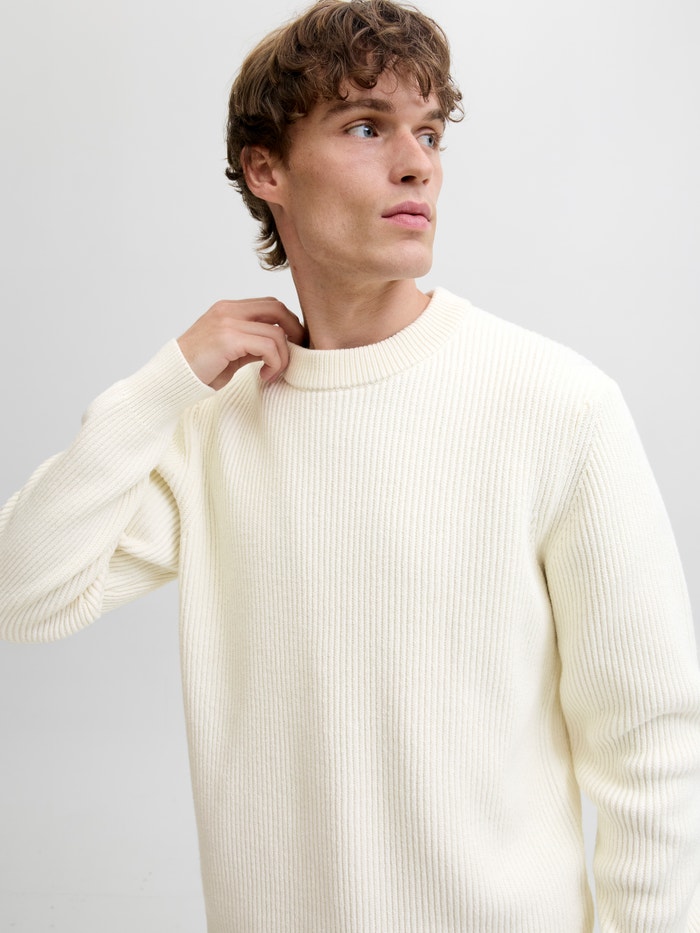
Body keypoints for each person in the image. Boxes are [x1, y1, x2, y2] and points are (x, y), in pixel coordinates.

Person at [1, 0, 699, 929]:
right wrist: (163, 385)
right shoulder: (213, 427)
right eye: (367, 127)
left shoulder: (558, 405)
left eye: (430, 132)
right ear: (267, 169)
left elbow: (651, 745)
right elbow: (23, 595)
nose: (417, 163)